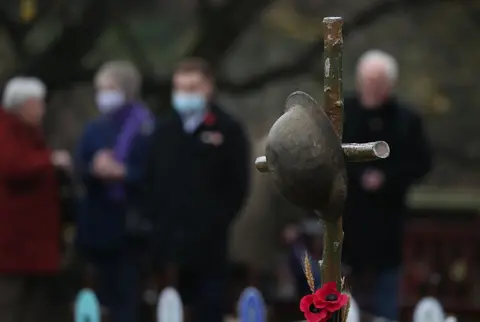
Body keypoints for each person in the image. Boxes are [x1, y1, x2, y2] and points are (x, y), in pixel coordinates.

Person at [145, 57, 250, 322]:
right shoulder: (162, 130)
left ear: (208, 88)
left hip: (210, 243)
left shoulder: (227, 130)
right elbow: (150, 180)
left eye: (192, 88)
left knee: (209, 308)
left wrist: (217, 219)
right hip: (168, 242)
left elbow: (238, 184)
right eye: (179, 88)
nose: (185, 95)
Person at [342, 50, 432, 320]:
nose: (371, 88)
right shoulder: (343, 114)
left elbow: (421, 163)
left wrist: (387, 179)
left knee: (385, 296)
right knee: (343, 297)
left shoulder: (406, 120)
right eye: (367, 81)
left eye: (377, 82)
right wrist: (359, 176)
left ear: (389, 84)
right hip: (349, 217)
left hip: (388, 219)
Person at [74, 61, 155, 322]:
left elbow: (154, 173)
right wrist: (94, 168)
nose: (104, 95)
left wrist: (124, 173)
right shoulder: (94, 129)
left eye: (110, 88)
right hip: (98, 224)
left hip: (131, 227)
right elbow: (81, 168)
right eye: (101, 89)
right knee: (98, 296)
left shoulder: (146, 127)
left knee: (127, 296)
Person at [0, 77, 72, 322]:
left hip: (34, 241)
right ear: (25, 105)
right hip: (14, 241)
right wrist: (49, 161)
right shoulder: (6, 131)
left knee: (35, 306)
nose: (43, 108)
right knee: (12, 303)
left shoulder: (30, 132)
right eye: (39, 103)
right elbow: (12, 166)